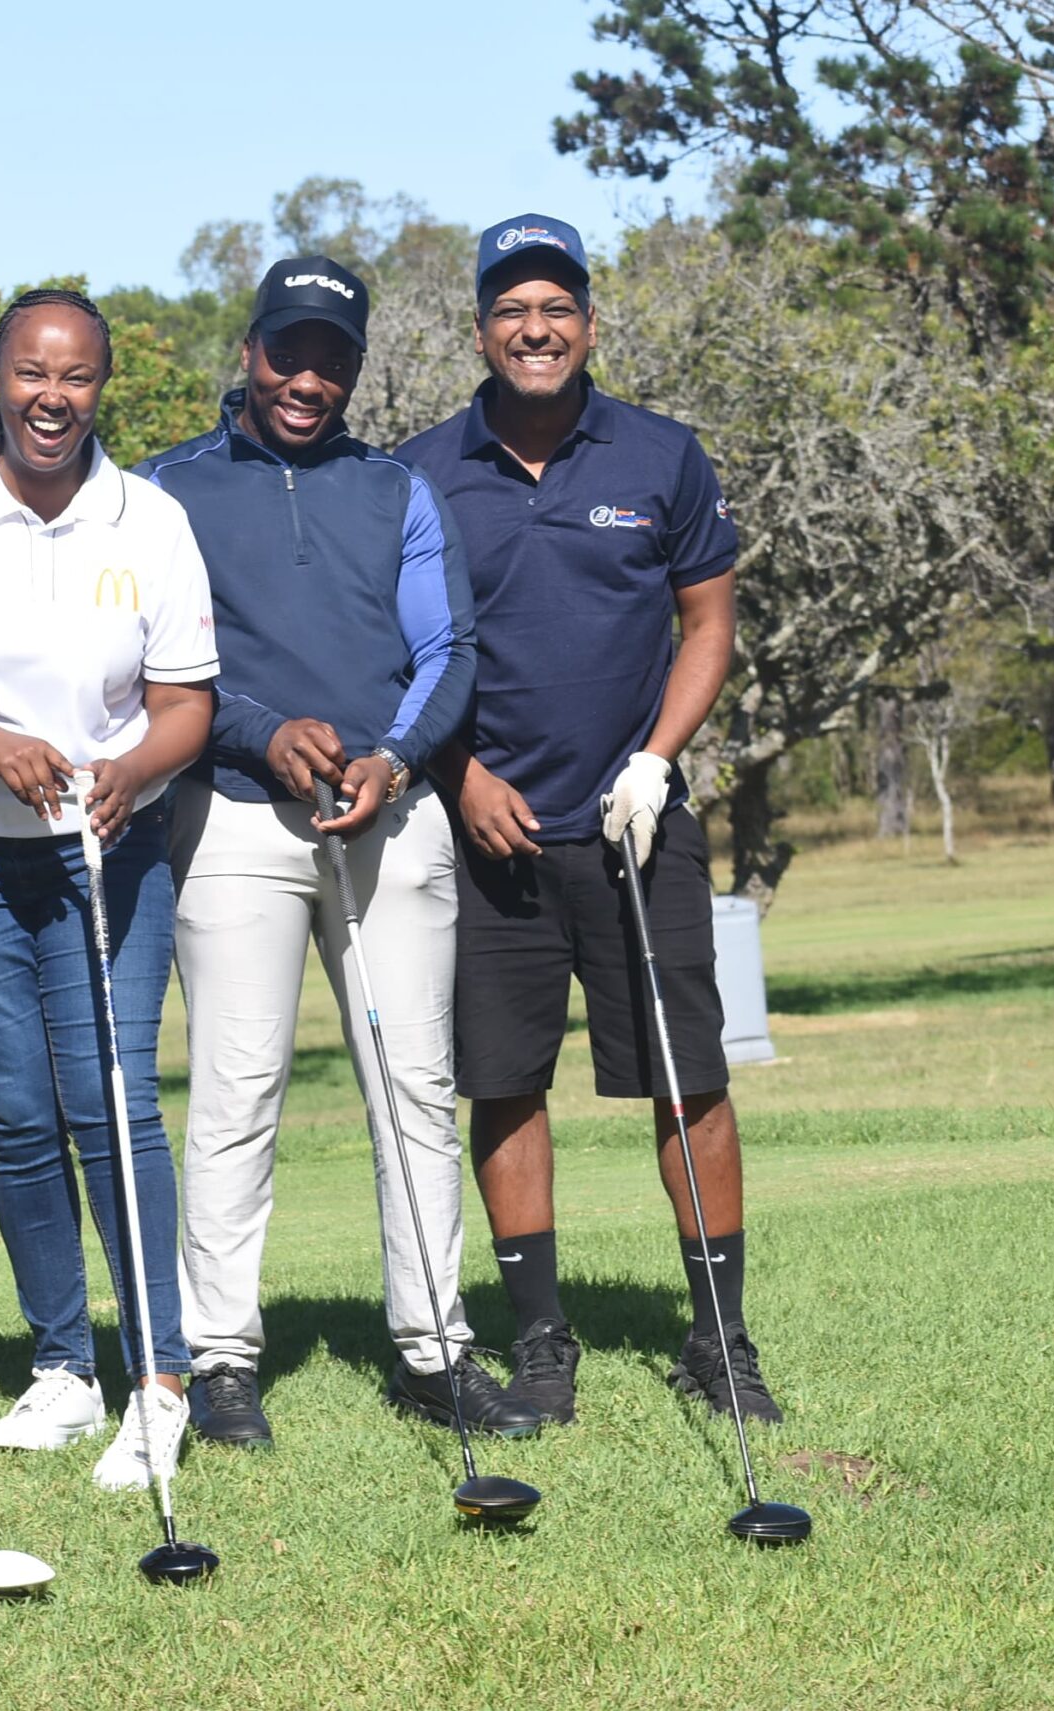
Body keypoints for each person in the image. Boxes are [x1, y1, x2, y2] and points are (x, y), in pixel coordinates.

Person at [137, 257, 541, 1449]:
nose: (307, 379)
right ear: (250, 349)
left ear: (356, 369)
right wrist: (263, 732)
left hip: (386, 815)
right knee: (236, 1088)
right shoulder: (168, 493)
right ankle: (220, 1361)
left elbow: (449, 651)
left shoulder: (397, 487)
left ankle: (433, 1349)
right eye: (288, 352)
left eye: (333, 359)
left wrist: (396, 760)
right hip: (233, 818)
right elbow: (165, 663)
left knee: (412, 1083)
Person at [398, 215, 776, 1426]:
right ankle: (541, 1341)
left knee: (687, 1080)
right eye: (511, 308)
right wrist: (455, 775)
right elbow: (392, 652)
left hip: (637, 829)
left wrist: (659, 761)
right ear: (480, 331)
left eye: (556, 306)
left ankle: (720, 1339)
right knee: (504, 1085)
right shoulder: (420, 469)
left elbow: (706, 624)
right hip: (490, 833)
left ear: (589, 325)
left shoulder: (661, 455)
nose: (534, 327)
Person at [0, 289, 217, 1491]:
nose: (51, 397)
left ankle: (159, 1376)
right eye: (31, 372)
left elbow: (187, 702)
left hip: (106, 849)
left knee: (113, 1102)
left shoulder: (152, 520)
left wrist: (132, 768)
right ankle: (64, 1366)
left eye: (74, 377)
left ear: (100, 386)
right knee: (17, 1113)